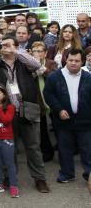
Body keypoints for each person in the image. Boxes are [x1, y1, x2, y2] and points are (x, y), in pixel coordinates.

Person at [0, 37, 49, 193]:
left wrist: (15, 51)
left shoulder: (24, 60)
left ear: (16, 46)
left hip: (27, 108)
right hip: (7, 111)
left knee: (33, 146)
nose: (4, 47)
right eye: (2, 45)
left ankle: (40, 179)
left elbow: (37, 64)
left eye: (8, 44)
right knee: (10, 147)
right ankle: (9, 178)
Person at [42, 47, 91, 183]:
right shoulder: (55, 76)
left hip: (85, 121)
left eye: (77, 61)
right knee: (65, 149)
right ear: (66, 60)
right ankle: (67, 173)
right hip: (63, 120)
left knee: (87, 149)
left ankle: (89, 175)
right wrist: (58, 109)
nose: (73, 63)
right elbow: (48, 95)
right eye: (71, 60)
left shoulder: (88, 77)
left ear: (82, 62)